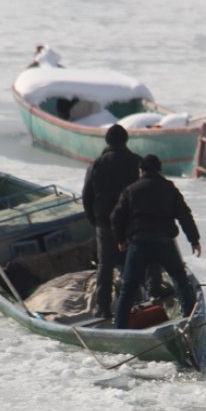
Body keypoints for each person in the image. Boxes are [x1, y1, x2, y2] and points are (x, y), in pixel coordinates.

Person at [110, 154, 202, 329]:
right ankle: (189, 322)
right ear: (159, 169)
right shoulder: (169, 188)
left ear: (141, 170)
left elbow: (116, 217)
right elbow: (184, 215)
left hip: (139, 244)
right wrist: (194, 240)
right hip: (164, 243)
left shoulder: (131, 190)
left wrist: (121, 239)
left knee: (128, 287)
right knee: (180, 280)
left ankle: (120, 328)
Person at [82, 124, 142, 319]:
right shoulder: (136, 162)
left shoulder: (97, 164)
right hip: (131, 223)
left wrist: (94, 220)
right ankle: (136, 304)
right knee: (131, 263)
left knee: (105, 265)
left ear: (107, 141)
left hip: (105, 223)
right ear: (126, 140)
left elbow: (87, 196)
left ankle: (103, 307)